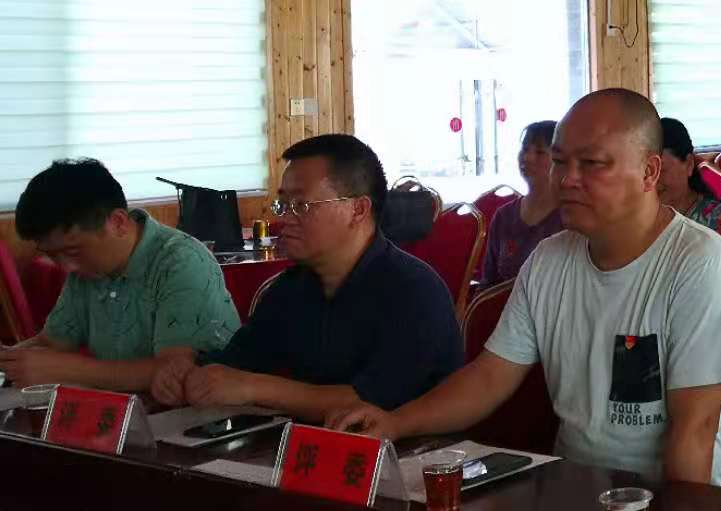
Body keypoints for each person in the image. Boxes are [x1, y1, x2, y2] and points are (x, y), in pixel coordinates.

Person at [330, 90, 721, 490]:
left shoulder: (700, 264)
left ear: (650, 172)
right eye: (559, 161)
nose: (567, 179)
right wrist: (396, 422)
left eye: (591, 164)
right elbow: (489, 377)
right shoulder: (550, 259)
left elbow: (694, 433)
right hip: (580, 492)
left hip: (695, 506)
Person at [150, 135, 463, 420]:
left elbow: (369, 402)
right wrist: (185, 374)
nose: (284, 218)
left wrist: (253, 387)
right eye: (283, 204)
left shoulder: (413, 292)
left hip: (409, 454)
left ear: (358, 209)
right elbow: (237, 363)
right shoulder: (292, 288)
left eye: (300, 205)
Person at [0, 159, 239, 391]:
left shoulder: (181, 261)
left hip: (202, 413)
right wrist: (9, 361)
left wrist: (64, 368)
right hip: (127, 412)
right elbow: (53, 342)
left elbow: (174, 372)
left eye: (73, 252)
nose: (66, 267)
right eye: (52, 255)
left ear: (117, 222)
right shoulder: (86, 269)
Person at [480, 120, 563, 286]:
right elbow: (488, 283)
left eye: (540, 152)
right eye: (525, 149)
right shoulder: (504, 216)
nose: (527, 158)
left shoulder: (571, 217)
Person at [658, 117, 721, 256]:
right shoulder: (641, 216)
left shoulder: (716, 222)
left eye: (661, 170)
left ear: (689, 164)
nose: (650, 181)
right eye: (645, 170)